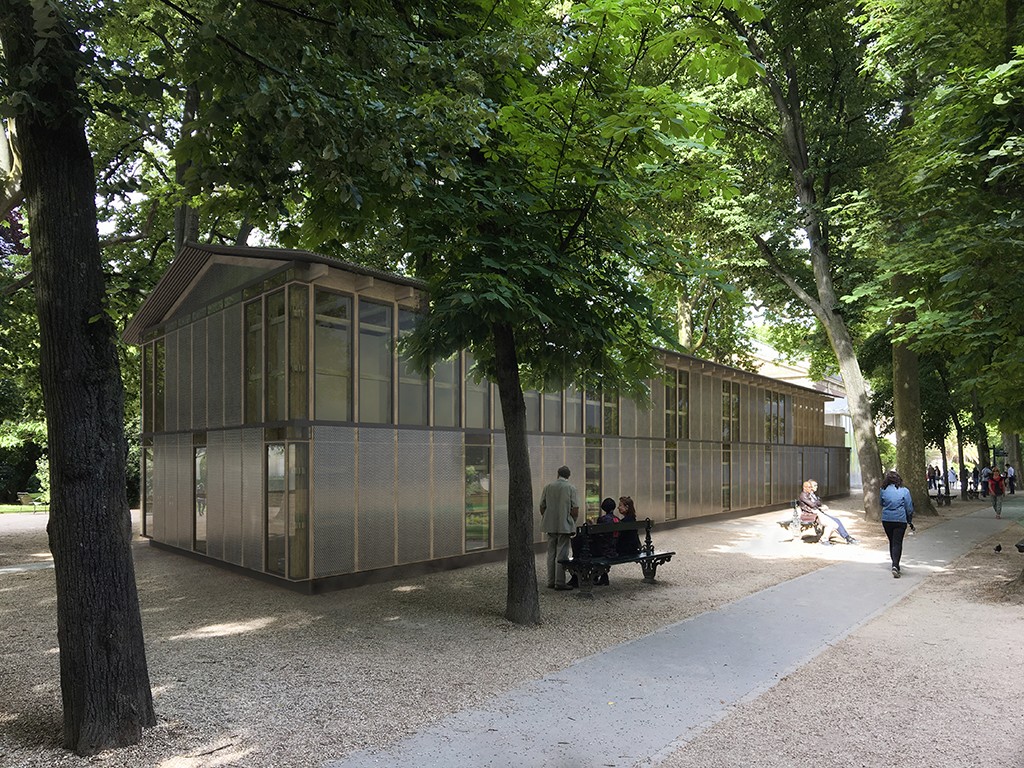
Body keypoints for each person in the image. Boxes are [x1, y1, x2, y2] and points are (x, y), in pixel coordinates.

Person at [539, 465, 580, 590]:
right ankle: (560, 582)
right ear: (568, 475)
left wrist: (547, 517)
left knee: (551, 552)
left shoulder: (548, 487)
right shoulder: (570, 488)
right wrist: (572, 521)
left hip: (550, 524)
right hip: (565, 524)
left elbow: (542, 506)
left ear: (558, 474)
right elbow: (575, 509)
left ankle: (550, 581)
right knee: (562, 553)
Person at [798, 479, 858, 545]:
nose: (812, 488)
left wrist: (817, 504)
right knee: (832, 524)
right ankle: (825, 539)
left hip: (816, 513)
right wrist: (817, 504)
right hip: (812, 515)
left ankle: (841, 538)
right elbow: (813, 504)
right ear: (805, 487)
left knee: (835, 522)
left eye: (811, 487)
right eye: (810, 487)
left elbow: (818, 502)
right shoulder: (804, 495)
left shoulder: (809, 494)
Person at [881, 469, 914, 578]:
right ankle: (895, 565)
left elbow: (881, 503)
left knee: (892, 541)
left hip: (886, 519)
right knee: (897, 542)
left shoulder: (883, 490)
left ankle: (894, 564)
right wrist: (910, 520)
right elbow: (909, 508)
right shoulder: (904, 491)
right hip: (900, 519)